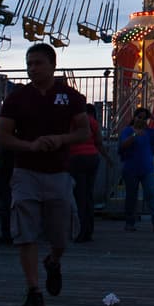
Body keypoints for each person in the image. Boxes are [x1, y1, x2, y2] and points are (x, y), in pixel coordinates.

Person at [0, 43, 92, 306]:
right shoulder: (16, 98)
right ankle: (33, 290)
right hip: (26, 172)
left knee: (61, 235)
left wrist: (61, 139)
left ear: (52, 65)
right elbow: (2, 135)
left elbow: (84, 132)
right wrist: (29, 146)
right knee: (25, 232)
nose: (32, 68)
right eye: (29, 64)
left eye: (38, 63)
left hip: (58, 172)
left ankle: (53, 260)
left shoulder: (70, 97)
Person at [118, 107, 154, 232]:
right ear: (134, 118)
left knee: (151, 194)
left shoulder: (149, 132)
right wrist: (134, 134)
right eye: (140, 117)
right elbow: (123, 145)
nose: (142, 120)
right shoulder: (128, 131)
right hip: (131, 168)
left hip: (146, 168)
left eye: (145, 118)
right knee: (131, 196)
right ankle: (129, 222)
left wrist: (153, 117)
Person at [69, 101, 103, 243]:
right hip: (92, 156)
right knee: (88, 194)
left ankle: (80, 230)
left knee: (79, 195)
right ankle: (88, 229)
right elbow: (99, 140)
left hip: (77, 157)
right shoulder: (93, 122)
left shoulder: (72, 120)